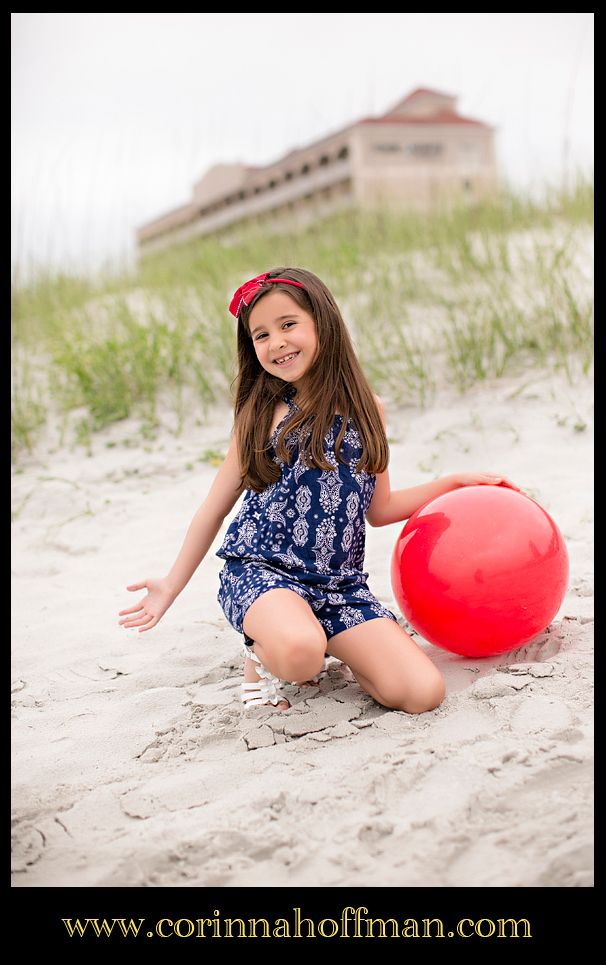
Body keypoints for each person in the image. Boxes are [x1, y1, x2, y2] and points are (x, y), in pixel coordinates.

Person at [118, 267, 520, 714]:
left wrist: (452, 483)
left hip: (338, 586)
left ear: (323, 324)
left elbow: (380, 508)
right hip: (262, 573)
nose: (276, 343)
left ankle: (329, 642)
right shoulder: (262, 413)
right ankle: (264, 655)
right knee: (300, 654)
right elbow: (212, 511)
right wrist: (170, 585)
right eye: (261, 335)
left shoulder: (369, 410)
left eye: (288, 324)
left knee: (422, 693)